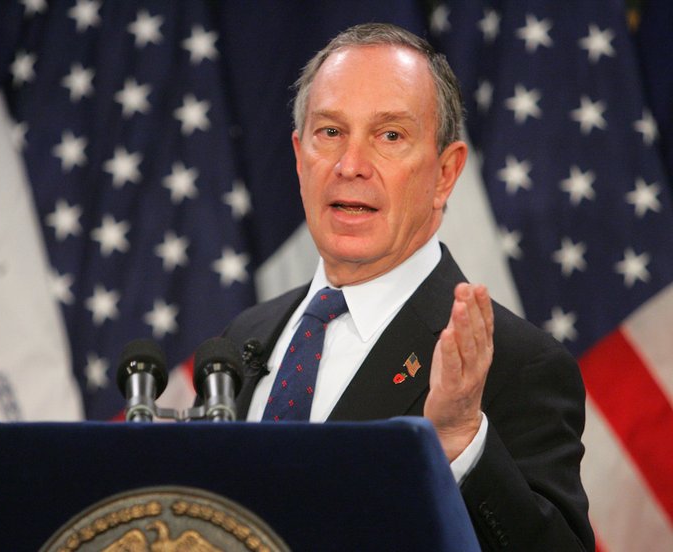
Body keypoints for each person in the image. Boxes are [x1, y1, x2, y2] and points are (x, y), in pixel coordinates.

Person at [222, 23, 594, 551]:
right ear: (300, 156)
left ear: (445, 173)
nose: (351, 166)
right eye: (330, 132)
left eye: (390, 136)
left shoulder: (517, 363)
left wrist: (461, 441)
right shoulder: (244, 336)